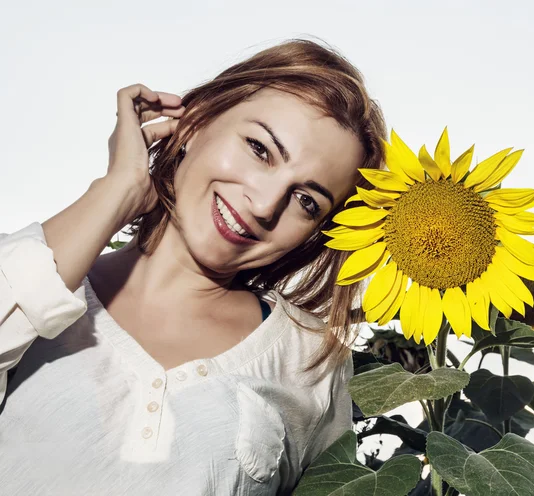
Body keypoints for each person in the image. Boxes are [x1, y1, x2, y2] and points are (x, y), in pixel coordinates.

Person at [0, 38, 386, 495]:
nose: (265, 205)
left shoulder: (310, 359)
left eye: (306, 201)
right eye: (260, 150)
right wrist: (118, 188)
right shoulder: (35, 273)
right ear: (197, 121)